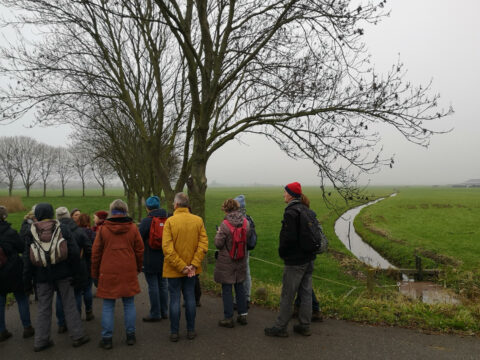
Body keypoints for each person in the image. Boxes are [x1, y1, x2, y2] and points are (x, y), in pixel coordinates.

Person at [23, 203, 89, 352]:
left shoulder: (31, 231)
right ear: (51, 213)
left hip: (41, 276)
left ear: (38, 214)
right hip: (64, 274)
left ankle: (41, 341)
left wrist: (27, 281)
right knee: (69, 305)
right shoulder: (62, 228)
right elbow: (73, 253)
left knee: (43, 309)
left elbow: (27, 259)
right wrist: (77, 275)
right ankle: (78, 337)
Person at [265, 182, 316, 337]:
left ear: (292, 194)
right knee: (306, 292)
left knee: (288, 294)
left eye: (285, 192)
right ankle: (305, 325)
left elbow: (289, 238)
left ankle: (280, 327)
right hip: (309, 258)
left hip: (295, 261)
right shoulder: (307, 210)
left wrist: (283, 253)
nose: (283, 194)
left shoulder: (290, 212)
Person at [91, 199, 144, 349]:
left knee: (108, 305)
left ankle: (107, 339)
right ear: (125, 210)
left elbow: (96, 253)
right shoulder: (133, 228)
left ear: (111, 211)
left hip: (108, 271)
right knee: (129, 304)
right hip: (128, 270)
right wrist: (138, 268)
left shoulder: (103, 229)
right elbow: (140, 250)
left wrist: (94, 273)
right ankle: (131, 336)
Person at [162, 192, 208, 342]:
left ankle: (174, 332)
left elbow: (167, 248)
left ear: (175, 205)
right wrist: (193, 265)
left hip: (174, 269)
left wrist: (181, 266)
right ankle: (191, 330)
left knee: (174, 300)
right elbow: (203, 244)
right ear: (188, 205)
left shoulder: (170, 222)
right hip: (192, 270)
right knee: (190, 298)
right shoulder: (198, 220)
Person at [0, 206, 34, 342]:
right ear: (4, 217)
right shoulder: (10, 232)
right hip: (14, 269)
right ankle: (27, 328)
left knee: (0, 301)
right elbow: (21, 247)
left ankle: (2, 331)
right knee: (21, 298)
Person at [55, 207, 93, 330]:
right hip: (78, 267)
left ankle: (61, 323)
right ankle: (75, 321)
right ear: (69, 216)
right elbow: (89, 249)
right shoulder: (79, 231)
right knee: (77, 293)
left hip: (60, 268)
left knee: (60, 296)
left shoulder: (54, 232)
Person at [214, 199, 249, 328]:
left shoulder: (224, 224)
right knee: (240, 286)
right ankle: (243, 314)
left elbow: (218, 244)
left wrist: (218, 234)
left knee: (227, 288)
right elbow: (247, 238)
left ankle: (228, 318)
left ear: (226, 209)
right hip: (241, 258)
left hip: (227, 260)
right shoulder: (246, 222)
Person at [138, 196, 169, 322]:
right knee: (163, 284)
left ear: (147, 208)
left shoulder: (146, 221)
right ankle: (165, 311)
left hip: (150, 257)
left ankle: (155, 313)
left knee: (153, 286)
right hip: (165, 257)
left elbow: (138, 239)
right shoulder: (167, 219)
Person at [233, 195, 256, 307]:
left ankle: (240, 300)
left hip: (238, 249)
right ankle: (245, 298)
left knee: (240, 274)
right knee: (246, 272)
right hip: (245, 249)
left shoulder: (237, 219)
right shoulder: (249, 219)